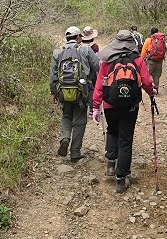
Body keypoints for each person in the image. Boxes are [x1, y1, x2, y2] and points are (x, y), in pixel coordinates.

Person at [91, 30, 157, 193]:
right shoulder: (137, 59)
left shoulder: (107, 60)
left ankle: (111, 165)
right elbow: (147, 81)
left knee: (112, 131)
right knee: (126, 139)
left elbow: (99, 85)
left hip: (109, 105)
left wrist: (95, 107)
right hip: (130, 106)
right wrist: (151, 93)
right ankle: (121, 179)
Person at [49, 26, 100, 162]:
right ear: (78, 37)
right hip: (81, 92)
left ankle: (65, 138)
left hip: (63, 91)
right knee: (80, 120)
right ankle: (75, 152)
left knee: (66, 115)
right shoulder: (85, 49)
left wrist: (53, 92)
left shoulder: (57, 51)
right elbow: (98, 67)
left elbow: (53, 74)